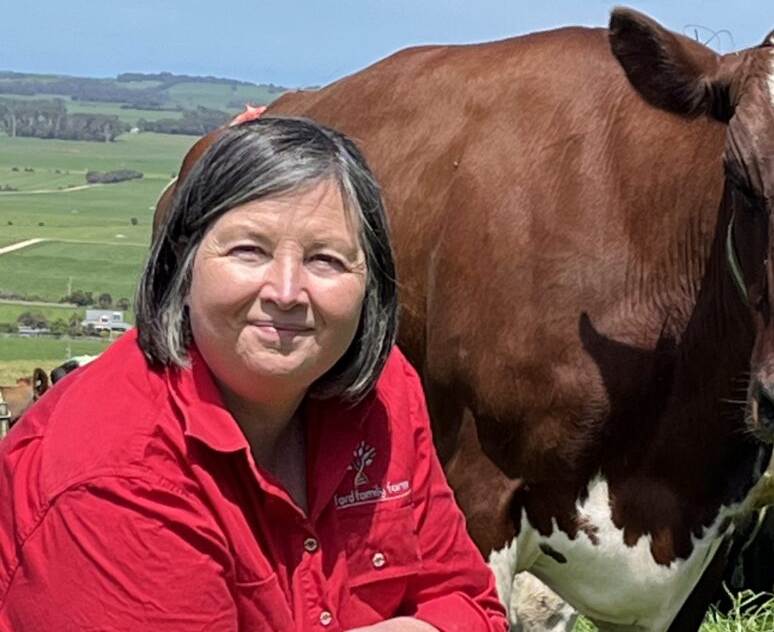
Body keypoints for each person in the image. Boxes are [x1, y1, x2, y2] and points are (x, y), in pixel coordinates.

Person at [0, 117, 508, 631]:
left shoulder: (384, 393)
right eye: (249, 250)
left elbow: (472, 606)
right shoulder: (117, 477)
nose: (286, 291)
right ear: (185, 256)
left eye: (326, 259)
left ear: (370, 282)